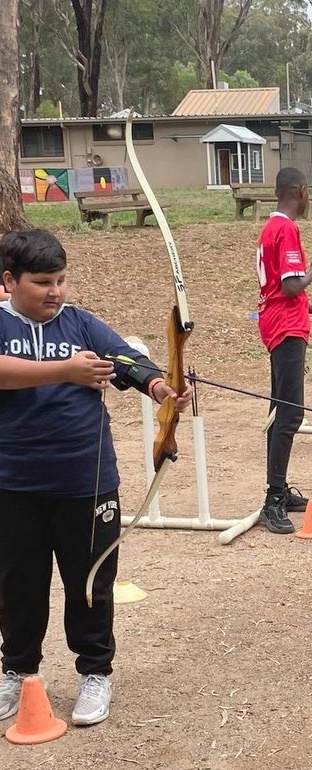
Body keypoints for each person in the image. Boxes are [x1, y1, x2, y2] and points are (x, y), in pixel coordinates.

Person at [0, 228, 192, 726]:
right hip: (14, 482)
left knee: (90, 581)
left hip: (86, 480)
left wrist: (157, 385)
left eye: (61, 280)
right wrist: (66, 371)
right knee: (18, 582)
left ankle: (95, 673)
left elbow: (126, 359)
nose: (55, 292)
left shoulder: (82, 325)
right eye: (42, 282)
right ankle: (19, 671)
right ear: (9, 280)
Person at [255, 167, 312, 534]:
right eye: (308, 192)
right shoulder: (285, 228)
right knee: (289, 413)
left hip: (282, 322)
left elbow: (285, 290)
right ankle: (273, 499)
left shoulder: (272, 227)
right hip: (284, 327)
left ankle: (280, 489)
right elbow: (289, 288)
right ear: (300, 190)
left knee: (280, 411)